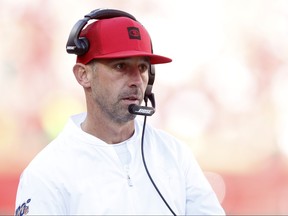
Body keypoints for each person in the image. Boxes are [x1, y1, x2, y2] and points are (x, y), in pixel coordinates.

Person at [15, 8, 225, 216]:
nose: (135, 80)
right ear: (83, 75)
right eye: (120, 66)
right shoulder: (46, 173)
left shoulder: (175, 154)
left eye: (142, 68)